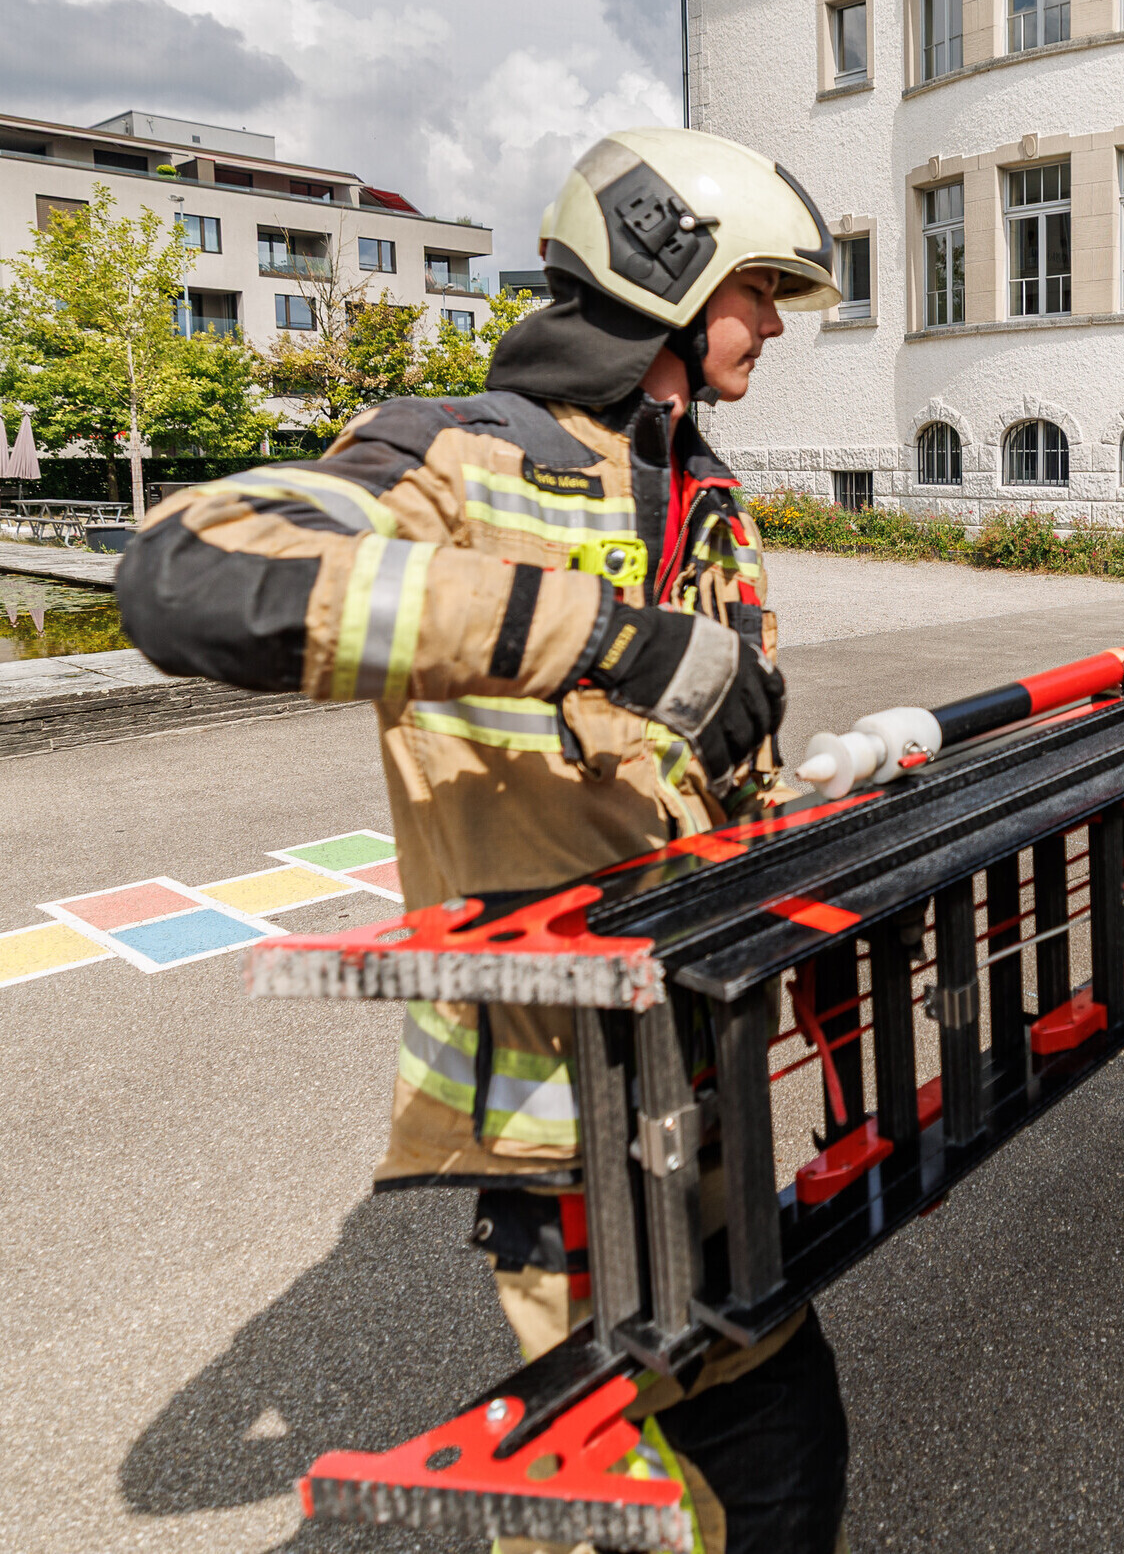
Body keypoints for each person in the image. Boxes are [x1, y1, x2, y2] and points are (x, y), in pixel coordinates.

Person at [117, 128, 853, 1554]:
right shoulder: (455, 454)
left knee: (779, 1462)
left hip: (699, 1080)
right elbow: (195, 572)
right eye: (759, 285)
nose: (772, 321)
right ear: (665, 269)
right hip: (557, 1120)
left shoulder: (708, 500)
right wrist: (602, 635)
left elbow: (716, 780)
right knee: (617, 1508)